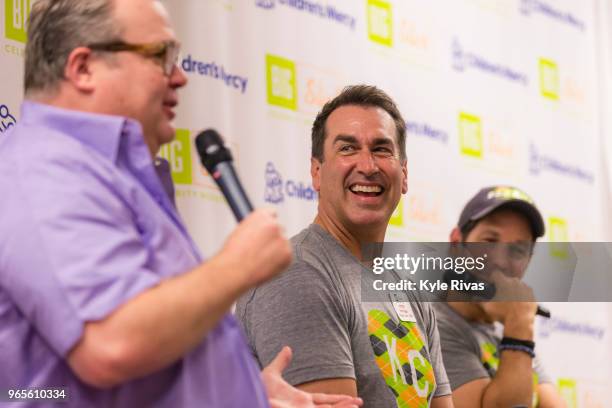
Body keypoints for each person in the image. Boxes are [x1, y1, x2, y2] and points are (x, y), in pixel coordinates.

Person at [0, 1, 363, 407]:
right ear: (83, 68)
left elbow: (142, 352)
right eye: (161, 56)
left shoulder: (108, 175)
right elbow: (111, 343)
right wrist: (237, 266)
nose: (180, 77)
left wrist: (242, 392)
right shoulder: (42, 170)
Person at [237, 85, 453, 407]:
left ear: (404, 174)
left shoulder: (407, 287)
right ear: (316, 172)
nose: (368, 166)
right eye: (348, 149)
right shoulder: (296, 274)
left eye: (382, 149)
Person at [433, 186, 567, 407]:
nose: (501, 261)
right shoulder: (434, 325)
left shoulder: (503, 331)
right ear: (456, 243)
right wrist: (519, 326)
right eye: (489, 241)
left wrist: (518, 328)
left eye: (517, 250)